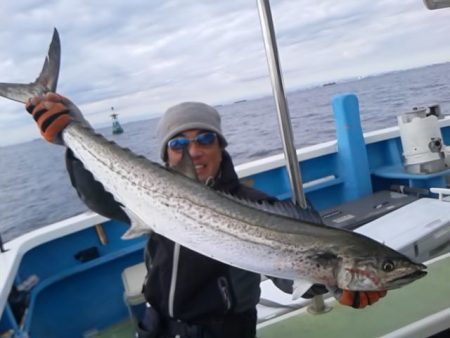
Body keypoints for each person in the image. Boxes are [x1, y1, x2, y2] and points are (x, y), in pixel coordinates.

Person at [26, 94, 387, 338]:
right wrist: (71, 137)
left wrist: (335, 285)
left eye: (205, 140)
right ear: (167, 155)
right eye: (179, 144)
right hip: (158, 326)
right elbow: (99, 197)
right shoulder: (148, 194)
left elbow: (286, 273)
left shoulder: (255, 204)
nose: (193, 152)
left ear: (221, 147)